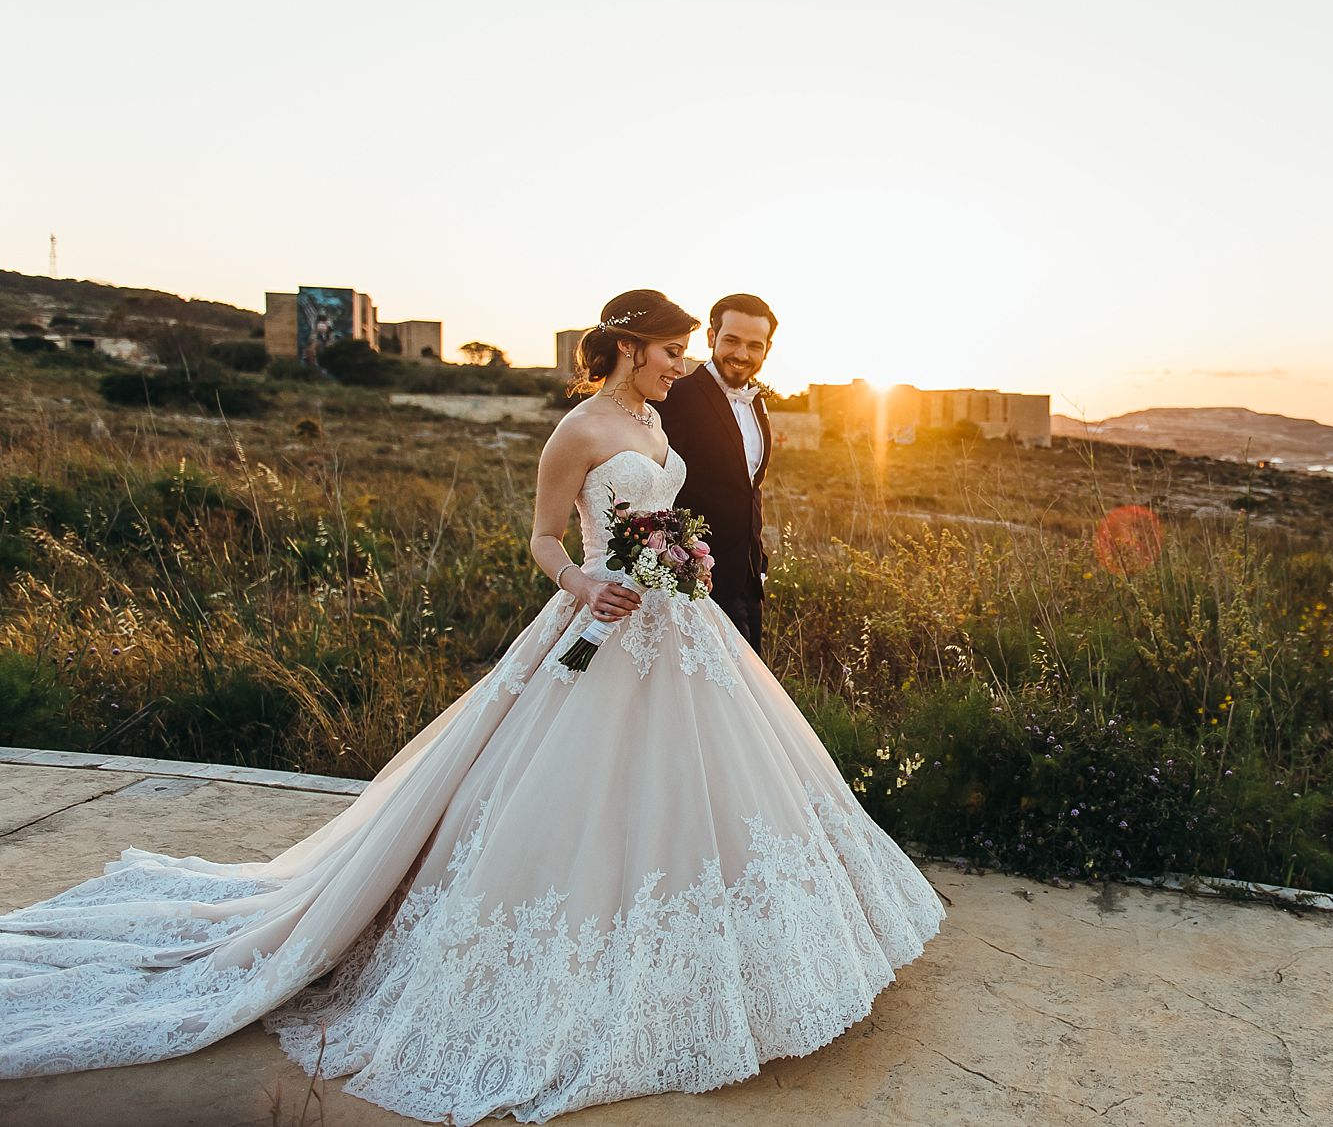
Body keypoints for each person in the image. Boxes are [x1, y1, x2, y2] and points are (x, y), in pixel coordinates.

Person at [0, 289, 944, 1124]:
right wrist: (582, 582)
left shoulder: (659, 429)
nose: (682, 365)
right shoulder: (579, 431)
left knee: (708, 790)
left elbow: (668, 512)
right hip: (597, 624)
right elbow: (542, 536)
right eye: (671, 352)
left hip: (681, 630)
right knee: (568, 787)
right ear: (628, 348)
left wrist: (680, 560)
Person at [656, 293, 775, 650]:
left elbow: (748, 487)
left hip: (749, 582)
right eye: (732, 340)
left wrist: (759, 564)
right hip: (692, 583)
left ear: (767, 349)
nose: (742, 354)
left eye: (754, 345)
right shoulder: (676, 397)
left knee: (748, 698)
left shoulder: (757, 403)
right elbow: (657, 489)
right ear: (711, 338)